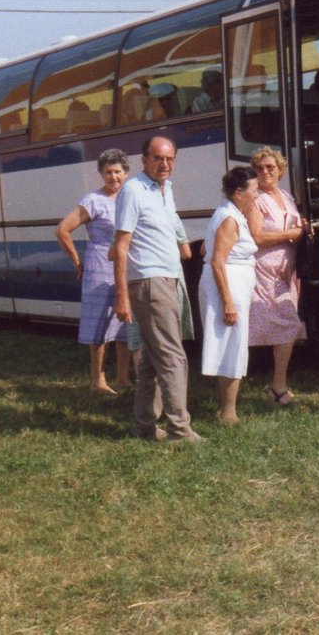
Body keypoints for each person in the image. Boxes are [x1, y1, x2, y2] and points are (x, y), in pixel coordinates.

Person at [113, 136, 203, 443]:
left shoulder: (166, 189)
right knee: (173, 357)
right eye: (157, 158)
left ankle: (144, 426)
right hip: (149, 282)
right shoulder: (133, 190)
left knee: (152, 358)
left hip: (167, 279)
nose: (164, 164)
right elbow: (121, 247)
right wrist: (122, 297)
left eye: (169, 159)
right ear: (144, 159)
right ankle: (180, 429)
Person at [55, 149, 133, 394]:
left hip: (126, 265)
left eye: (118, 172)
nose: (113, 177)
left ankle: (122, 378)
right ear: (101, 174)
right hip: (99, 265)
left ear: (126, 173)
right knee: (99, 324)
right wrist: (78, 262)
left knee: (125, 322)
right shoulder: (93, 200)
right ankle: (97, 381)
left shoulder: (130, 198)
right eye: (108, 172)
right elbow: (62, 229)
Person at [199, 167, 260, 424]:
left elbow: (204, 247)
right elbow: (216, 261)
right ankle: (228, 412)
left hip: (230, 285)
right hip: (227, 288)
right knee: (231, 347)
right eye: (253, 191)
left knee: (227, 346)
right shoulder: (229, 218)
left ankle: (225, 408)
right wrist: (227, 302)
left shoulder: (229, 213)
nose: (256, 196)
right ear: (238, 192)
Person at [246, 148, 306, 406]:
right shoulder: (255, 200)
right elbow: (256, 237)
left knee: (284, 325)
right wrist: (293, 233)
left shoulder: (286, 196)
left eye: (270, 167)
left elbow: (294, 228)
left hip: (287, 272)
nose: (265, 172)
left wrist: (301, 229)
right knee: (281, 325)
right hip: (264, 271)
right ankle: (277, 388)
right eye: (260, 168)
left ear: (280, 170)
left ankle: (276, 386)